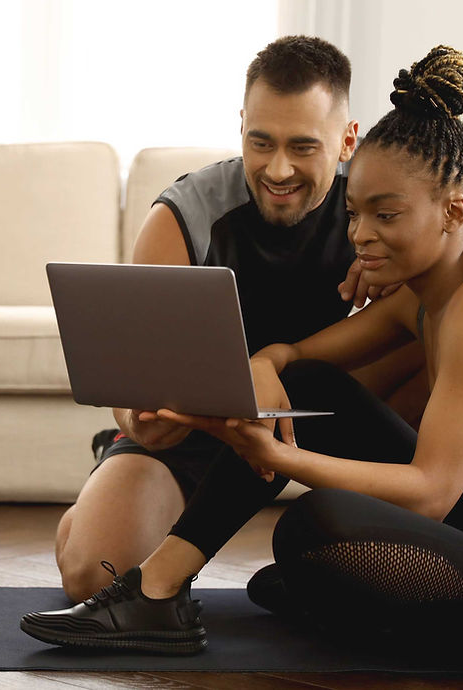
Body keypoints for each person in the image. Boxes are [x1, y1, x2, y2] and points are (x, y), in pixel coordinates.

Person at [21, 45, 463, 670]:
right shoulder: (418, 298)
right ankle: (159, 591)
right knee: (305, 387)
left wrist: (281, 455)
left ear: (454, 211)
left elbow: (429, 496)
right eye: (356, 213)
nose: (361, 234)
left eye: (385, 215)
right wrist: (264, 368)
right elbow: (295, 360)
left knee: (315, 526)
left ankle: (304, 593)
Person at [52, 34, 423, 606]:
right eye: (261, 142)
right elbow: (132, 381)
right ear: (242, 128)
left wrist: (399, 293)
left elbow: (458, 292)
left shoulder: (377, 211)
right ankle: (100, 503)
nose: (279, 169)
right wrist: (139, 418)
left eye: (303, 146)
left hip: (321, 426)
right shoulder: (183, 217)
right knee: (95, 575)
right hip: (197, 437)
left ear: (347, 140)